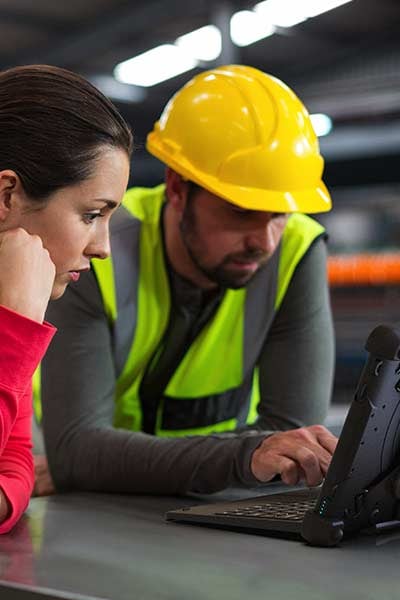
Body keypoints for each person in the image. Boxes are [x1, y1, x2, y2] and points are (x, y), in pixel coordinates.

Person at [39, 65, 337, 497]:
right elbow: (77, 451)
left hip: (209, 515)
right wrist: (244, 455)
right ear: (177, 189)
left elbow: (292, 440)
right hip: (85, 515)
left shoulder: (297, 252)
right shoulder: (96, 252)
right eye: (240, 213)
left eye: (279, 216)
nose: (264, 242)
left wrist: (110, 460)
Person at [0, 64, 132, 531]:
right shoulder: (14, 313)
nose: (103, 247)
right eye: (92, 214)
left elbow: (17, 463)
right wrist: (13, 325)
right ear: (7, 195)